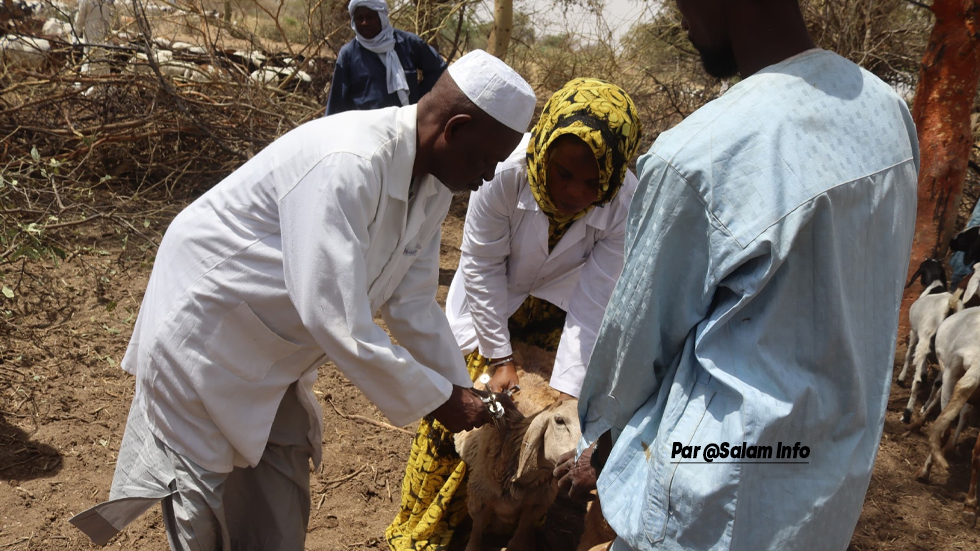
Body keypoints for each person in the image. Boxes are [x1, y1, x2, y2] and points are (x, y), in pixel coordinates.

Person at [68, 49, 536, 551]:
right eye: (487, 160)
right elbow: (334, 318)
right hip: (202, 333)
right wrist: (441, 400)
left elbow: (413, 305)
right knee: (201, 511)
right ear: (456, 128)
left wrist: (462, 389)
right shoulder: (349, 162)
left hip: (271, 346)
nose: (488, 177)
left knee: (275, 506)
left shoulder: (435, 183)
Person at [556, 1, 920, 550]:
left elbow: (635, 349)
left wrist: (602, 444)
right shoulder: (888, 113)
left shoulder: (702, 155)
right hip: (825, 495)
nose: (680, 14)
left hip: (710, 508)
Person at [386, 78, 643, 551]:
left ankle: (509, 532)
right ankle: (430, 531)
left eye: (592, 183)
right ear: (543, 151)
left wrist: (566, 389)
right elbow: (482, 265)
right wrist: (499, 358)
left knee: (535, 428)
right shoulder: (506, 171)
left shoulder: (624, 200)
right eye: (562, 173)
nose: (573, 192)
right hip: (489, 303)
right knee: (461, 411)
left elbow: (595, 299)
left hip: (557, 315)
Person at [325, 0, 447, 115]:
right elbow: (337, 103)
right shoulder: (348, 54)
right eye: (359, 18)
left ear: (381, 17)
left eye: (370, 17)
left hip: (408, 123)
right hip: (367, 129)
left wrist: (420, 99)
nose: (364, 23)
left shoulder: (408, 43)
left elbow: (439, 71)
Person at [75, 0, 115, 77]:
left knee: (102, 62)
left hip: (102, 41)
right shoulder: (86, 2)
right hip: (90, 39)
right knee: (89, 61)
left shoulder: (105, 2)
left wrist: (110, 40)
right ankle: (87, 81)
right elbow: (79, 21)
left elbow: (107, 23)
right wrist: (75, 37)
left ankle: (103, 83)